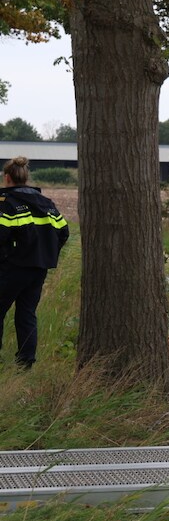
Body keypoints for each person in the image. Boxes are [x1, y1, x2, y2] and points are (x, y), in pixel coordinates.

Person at [0, 156, 70, 369]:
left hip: (12, 268)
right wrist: (46, 254)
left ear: (7, 178)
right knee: (27, 314)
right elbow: (63, 232)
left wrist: (7, 257)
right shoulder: (45, 202)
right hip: (38, 269)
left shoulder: (6, 203)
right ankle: (25, 364)